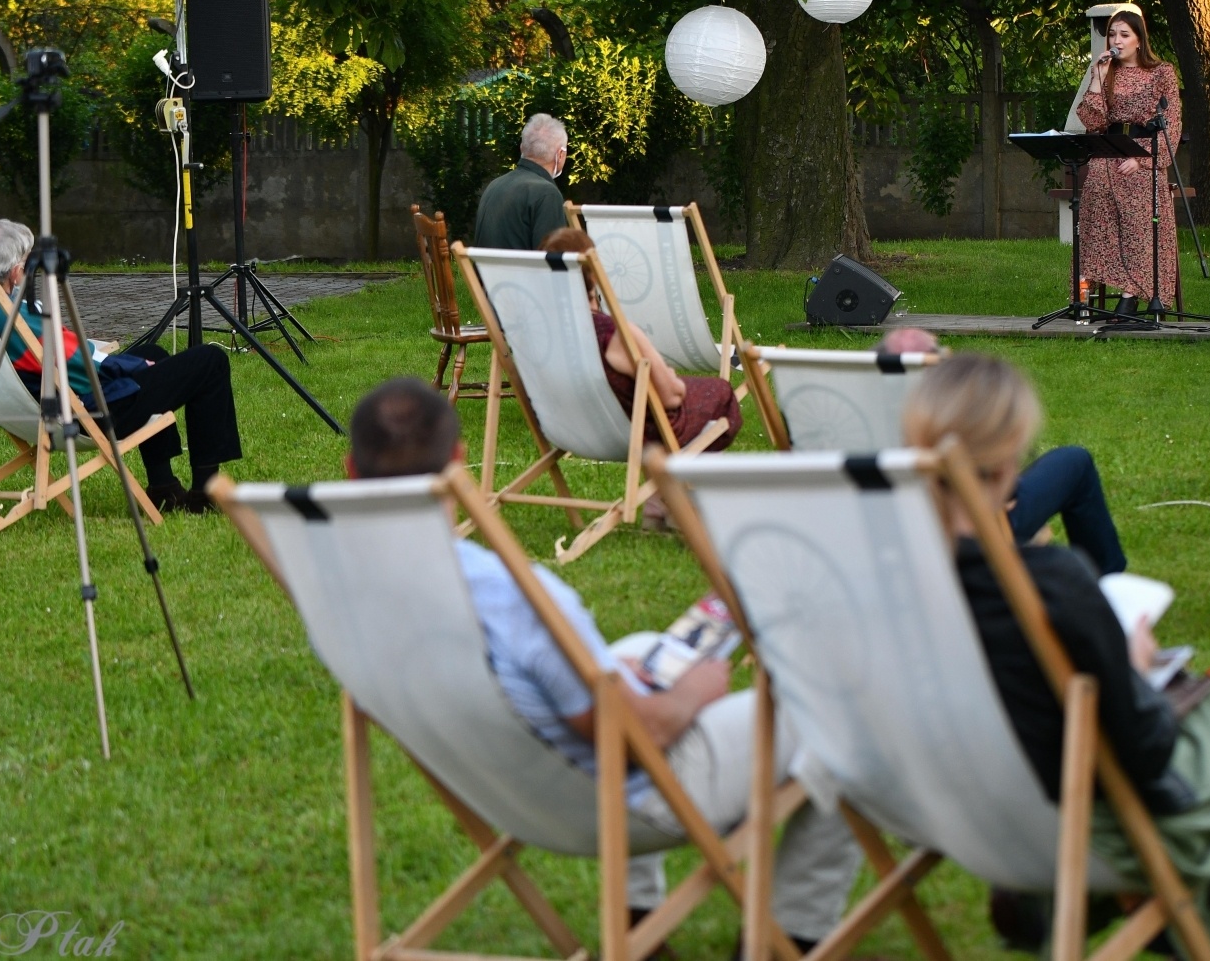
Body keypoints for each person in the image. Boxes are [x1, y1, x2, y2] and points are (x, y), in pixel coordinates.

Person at [346, 377, 861, 952]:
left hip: (504, 791)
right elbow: (634, 736)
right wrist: (694, 692)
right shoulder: (511, 597)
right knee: (852, 712)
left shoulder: (338, 590)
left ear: (349, 469)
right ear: (459, 461)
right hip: (617, 801)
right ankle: (787, 936)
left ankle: (639, 916)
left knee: (635, 651)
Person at [903, 352, 1210, 961]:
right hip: (1077, 823)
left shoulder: (882, 589)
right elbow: (1142, 748)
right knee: (1203, 724)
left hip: (946, 815)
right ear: (1009, 464)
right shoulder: (1053, 582)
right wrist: (1134, 668)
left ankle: (1108, 908)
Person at [0, 218, 242, 513]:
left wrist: (129, 363)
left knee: (155, 353)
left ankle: (163, 486)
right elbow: (80, 365)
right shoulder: (13, 317)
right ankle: (205, 493)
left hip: (34, 406)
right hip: (86, 411)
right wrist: (124, 366)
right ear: (17, 271)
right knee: (210, 362)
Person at [878, 329, 1126, 575]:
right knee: (1075, 462)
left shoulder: (854, 453)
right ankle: (1110, 581)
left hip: (891, 533)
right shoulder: (1057, 579)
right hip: (985, 525)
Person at [541, 226, 742, 452]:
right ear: (594, 275)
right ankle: (672, 481)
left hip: (571, 428)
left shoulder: (543, 333)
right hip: (636, 431)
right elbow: (671, 398)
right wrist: (673, 381)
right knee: (722, 394)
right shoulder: (615, 335)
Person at [1076, 10, 1183, 317]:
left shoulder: (1162, 72)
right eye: (1112, 35)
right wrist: (1096, 79)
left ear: (1139, 40)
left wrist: (1141, 160)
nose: (1117, 41)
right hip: (1108, 152)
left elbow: (1171, 126)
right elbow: (1092, 122)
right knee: (1097, 195)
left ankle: (1131, 292)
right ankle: (1088, 290)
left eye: (1124, 35)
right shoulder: (1106, 73)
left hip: (1143, 159)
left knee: (1137, 205)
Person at [472, 113, 570, 249]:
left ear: (522, 148)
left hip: (485, 270)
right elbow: (553, 262)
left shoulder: (495, 185)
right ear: (560, 154)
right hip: (522, 271)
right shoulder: (547, 194)